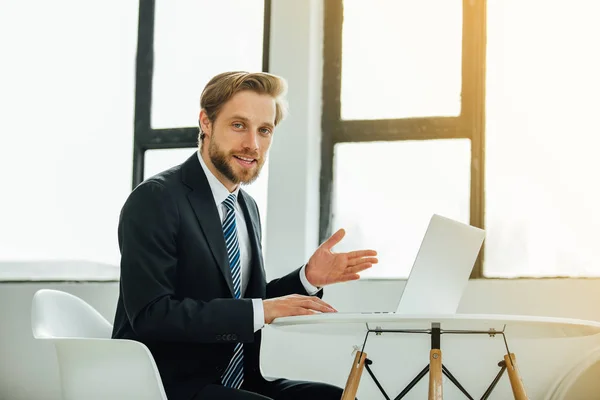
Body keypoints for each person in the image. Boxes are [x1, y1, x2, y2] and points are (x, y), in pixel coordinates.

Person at [111, 71, 378, 400]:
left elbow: (244, 300)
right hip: (169, 386)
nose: (253, 144)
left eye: (264, 130)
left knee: (338, 397)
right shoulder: (156, 199)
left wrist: (307, 278)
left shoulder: (245, 207)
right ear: (206, 123)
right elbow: (151, 315)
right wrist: (262, 310)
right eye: (239, 125)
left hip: (241, 381)